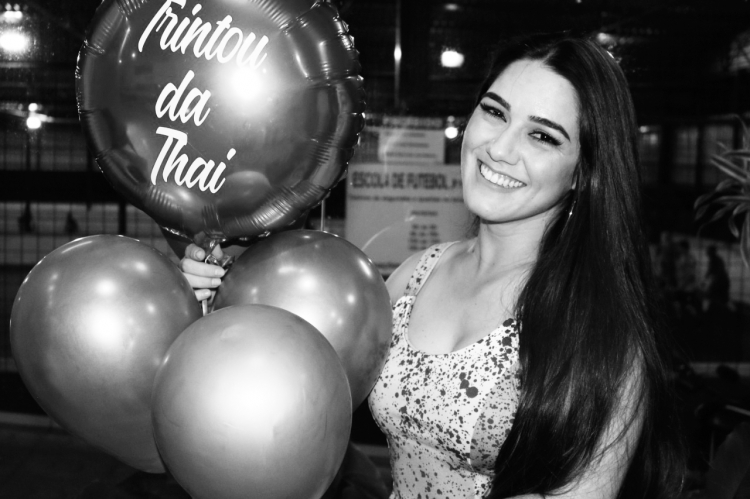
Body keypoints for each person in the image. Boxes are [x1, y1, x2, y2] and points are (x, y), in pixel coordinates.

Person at [180, 33, 685, 499]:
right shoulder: (418, 274)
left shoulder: (601, 334)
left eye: (542, 136)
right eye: (495, 112)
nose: (500, 148)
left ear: (583, 173)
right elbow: (297, 389)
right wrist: (218, 303)